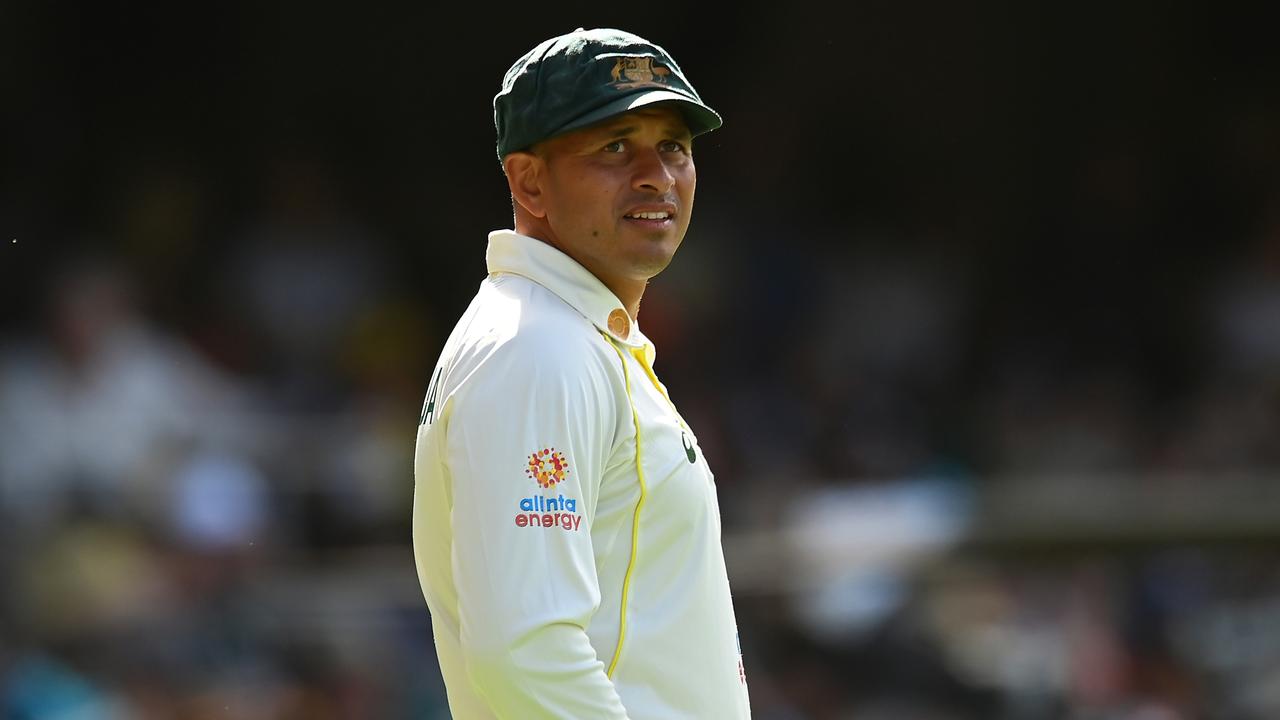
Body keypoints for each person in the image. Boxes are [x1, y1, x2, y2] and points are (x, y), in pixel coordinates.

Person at [412, 27, 751, 719]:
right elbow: (522, 651)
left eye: (675, 146)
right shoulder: (537, 350)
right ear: (529, 181)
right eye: (616, 146)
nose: (656, 173)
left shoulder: (564, 337)